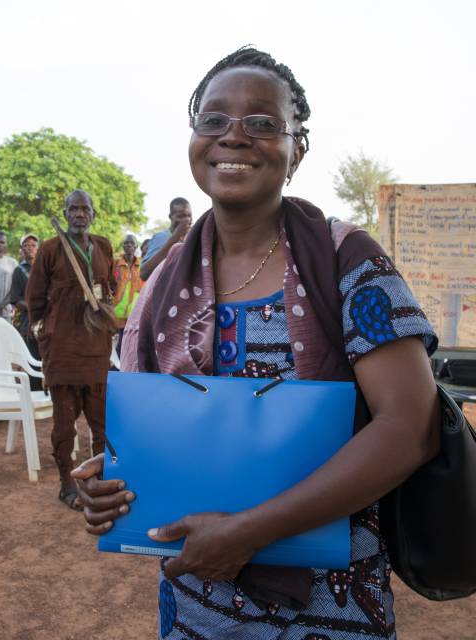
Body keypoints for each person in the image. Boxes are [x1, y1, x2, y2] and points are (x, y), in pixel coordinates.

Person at [73, 47, 440, 639]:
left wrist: (249, 531)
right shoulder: (165, 279)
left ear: (298, 149)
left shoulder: (346, 261)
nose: (234, 137)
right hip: (197, 606)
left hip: (328, 610)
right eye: (213, 120)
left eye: (263, 123)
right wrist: (111, 481)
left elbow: (411, 427)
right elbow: (159, 428)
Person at [27, 189, 116, 511]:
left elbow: (111, 289)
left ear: (93, 214)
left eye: (85, 209)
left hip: (96, 350)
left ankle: (98, 481)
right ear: (65, 214)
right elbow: (34, 300)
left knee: (102, 424)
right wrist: (46, 336)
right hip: (63, 351)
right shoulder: (50, 249)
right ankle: (67, 483)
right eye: (74, 209)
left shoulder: (103, 246)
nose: (80, 214)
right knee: (64, 426)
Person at [9, 233, 42, 391]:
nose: (30, 248)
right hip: (28, 322)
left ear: (38, 248)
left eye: (33, 245)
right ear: (22, 249)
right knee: (32, 358)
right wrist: (34, 306)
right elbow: (15, 299)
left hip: (47, 320)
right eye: (26, 245)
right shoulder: (18, 271)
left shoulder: (45, 268)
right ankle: (34, 392)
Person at [139, 197, 192, 281]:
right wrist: (175, 237)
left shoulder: (191, 240)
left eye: (189, 216)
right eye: (180, 216)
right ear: (171, 217)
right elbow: (144, 273)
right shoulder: (161, 237)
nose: (186, 220)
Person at [112, 234, 143, 359]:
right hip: (116, 314)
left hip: (134, 315)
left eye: (131, 243)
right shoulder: (115, 264)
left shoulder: (142, 265)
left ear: (136, 246)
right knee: (116, 348)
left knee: (130, 347)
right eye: (126, 243)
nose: (128, 245)